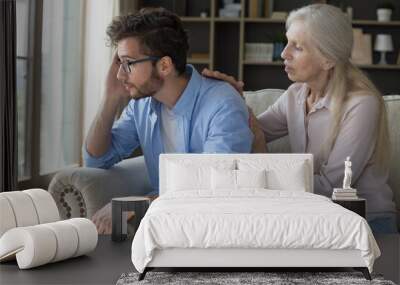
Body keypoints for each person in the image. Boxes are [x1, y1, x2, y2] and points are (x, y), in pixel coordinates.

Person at [202, 4, 397, 233]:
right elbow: (246, 132)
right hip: (316, 215)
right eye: (287, 42)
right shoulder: (296, 94)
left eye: (297, 47)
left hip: (366, 222)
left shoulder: (361, 104)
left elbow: (331, 187)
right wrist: (230, 98)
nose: (284, 53)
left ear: (327, 59)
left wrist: (263, 159)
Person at [84, 8, 253, 234]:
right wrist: (110, 97)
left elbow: (216, 186)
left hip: (218, 225)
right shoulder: (141, 105)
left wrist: (138, 202)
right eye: (119, 63)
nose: (120, 75)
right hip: (166, 224)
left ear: (164, 65)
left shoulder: (222, 104)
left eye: (129, 64)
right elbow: (96, 159)